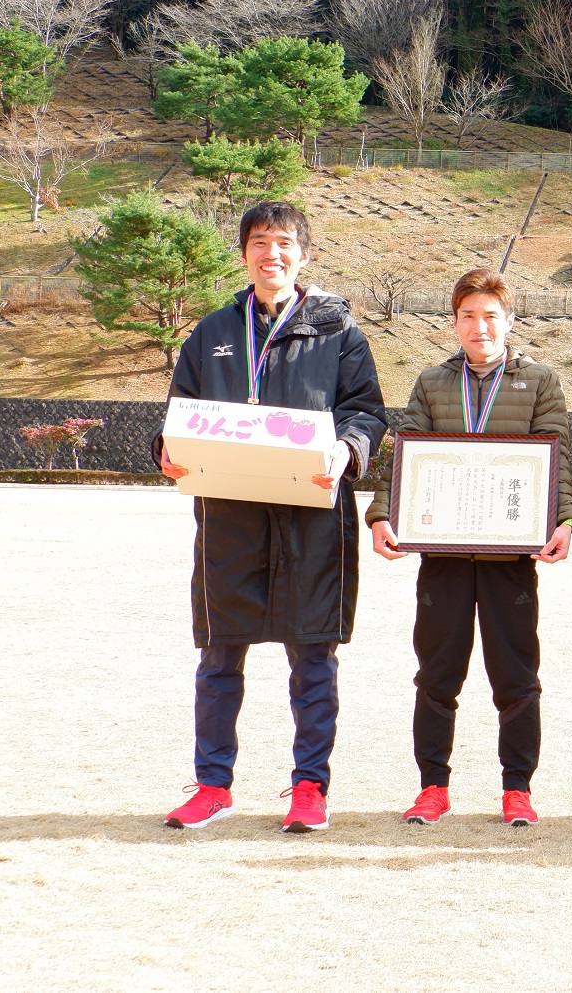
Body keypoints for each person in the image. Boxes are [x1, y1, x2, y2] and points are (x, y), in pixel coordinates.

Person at [156, 201, 386, 833]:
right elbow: (179, 411)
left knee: (313, 657)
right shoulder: (211, 332)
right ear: (244, 254)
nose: (272, 253)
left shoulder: (340, 332)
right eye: (260, 242)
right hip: (230, 516)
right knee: (219, 656)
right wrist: (167, 451)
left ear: (303, 254)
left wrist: (346, 448)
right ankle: (212, 784)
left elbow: (366, 413)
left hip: (312, 516)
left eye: (284, 243)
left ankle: (310, 786)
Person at [366, 269, 572, 828]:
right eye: (468, 316)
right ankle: (432, 785)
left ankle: (517, 789)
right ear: (454, 322)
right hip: (445, 559)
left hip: (511, 560)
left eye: (490, 316)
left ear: (509, 320)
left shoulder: (539, 380)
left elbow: (556, 454)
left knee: (516, 676)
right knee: (437, 674)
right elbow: (404, 450)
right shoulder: (434, 382)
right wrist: (384, 512)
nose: (479, 326)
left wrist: (564, 519)